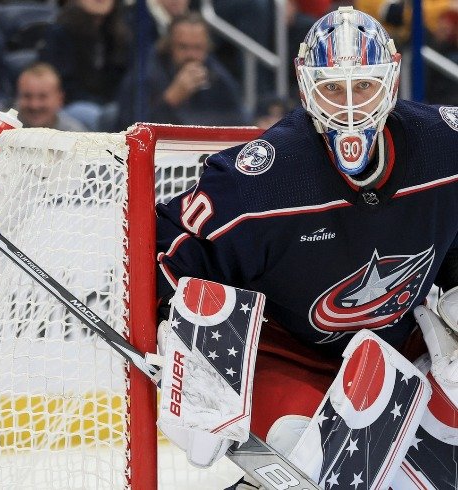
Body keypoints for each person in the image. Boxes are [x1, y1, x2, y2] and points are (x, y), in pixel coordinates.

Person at [156, 7, 458, 487]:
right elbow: (168, 252)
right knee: (302, 456)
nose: (350, 106)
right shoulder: (264, 180)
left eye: (363, 85)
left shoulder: (446, 146)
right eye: (333, 88)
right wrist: (184, 351)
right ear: (305, 84)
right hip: (291, 357)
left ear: (392, 78)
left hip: (401, 354)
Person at [117, 13, 243, 127]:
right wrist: (170, 100)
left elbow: (240, 118)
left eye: (198, 48)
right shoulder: (146, 73)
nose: (191, 55)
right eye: (183, 47)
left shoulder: (215, 73)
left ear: (207, 48)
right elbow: (129, 126)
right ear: (169, 46)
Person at [38, 0, 131, 130]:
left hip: (110, 104)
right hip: (71, 104)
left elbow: (124, 79)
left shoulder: (120, 33)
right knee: (106, 115)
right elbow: (61, 83)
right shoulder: (60, 31)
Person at [15, 62, 86, 131]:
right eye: (27, 96)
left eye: (42, 97)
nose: (34, 105)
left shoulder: (76, 137)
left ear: (60, 99)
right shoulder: (5, 130)